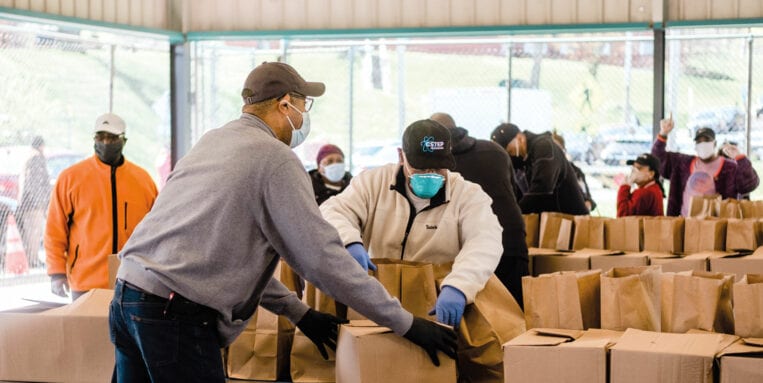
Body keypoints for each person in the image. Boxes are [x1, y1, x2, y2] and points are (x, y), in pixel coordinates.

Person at [110, 62, 456, 382]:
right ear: (285, 104)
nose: (306, 116)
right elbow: (321, 259)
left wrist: (299, 313)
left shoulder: (213, 141)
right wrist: (406, 323)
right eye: (305, 106)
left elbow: (227, 258)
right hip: (175, 313)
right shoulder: (276, 159)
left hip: (128, 297)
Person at [320, 119, 503, 329]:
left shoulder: (467, 195)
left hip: (435, 301)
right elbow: (333, 210)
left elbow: (485, 241)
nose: (430, 174)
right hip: (379, 300)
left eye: (438, 168)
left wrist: (459, 286)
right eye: (421, 167)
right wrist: (349, 241)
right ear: (401, 156)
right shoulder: (372, 183)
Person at [45, 113, 158, 300]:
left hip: (132, 281)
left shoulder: (143, 181)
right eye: (100, 137)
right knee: (87, 330)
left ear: (124, 141)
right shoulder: (71, 178)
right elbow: (55, 229)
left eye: (112, 138)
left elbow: (157, 229)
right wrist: (56, 273)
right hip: (86, 282)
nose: (105, 142)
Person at [429, 112, 527, 306]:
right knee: (515, 313)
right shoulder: (494, 150)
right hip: (512, 238)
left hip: (471, 247)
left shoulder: (435, 161)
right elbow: (515, 194)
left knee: (478, 320)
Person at [652, 118, 759, 216]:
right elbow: (657, 160)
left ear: (714, 143)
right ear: (695, 146)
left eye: (706, 141)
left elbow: (749, 184)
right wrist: (663, 133)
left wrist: (739, 157)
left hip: (716, 226)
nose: (703, 144)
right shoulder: (681, 163)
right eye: (699, 142)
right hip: (684, 222)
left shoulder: (730, 168)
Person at [491, 123, 589, 215]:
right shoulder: (523, 160)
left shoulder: (544, 147)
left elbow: (542, 187)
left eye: (510, 151)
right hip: (553, 220)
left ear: (520, 139)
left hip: (570, 219)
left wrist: (516, 213)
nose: (510, 156)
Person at [17, 135, 50, 268]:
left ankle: (32, 258)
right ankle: (33, 259)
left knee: (31, 231)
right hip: (34, 203)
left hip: (27, 202)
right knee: (34, 232)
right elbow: (35, 183)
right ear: (41, 145)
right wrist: (41, 202)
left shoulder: (28, 157)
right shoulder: (36, 158)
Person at [551, 131, 597, 212]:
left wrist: (589, 203)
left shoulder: (576, 171)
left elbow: (587, 197)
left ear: (564, 151)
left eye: (558, 150)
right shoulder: (542, 172)